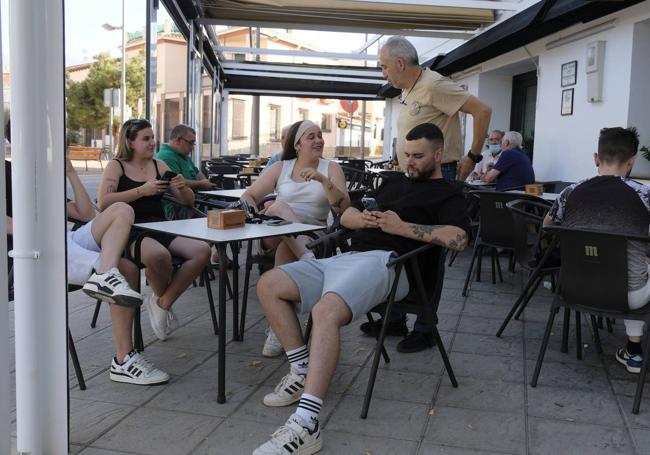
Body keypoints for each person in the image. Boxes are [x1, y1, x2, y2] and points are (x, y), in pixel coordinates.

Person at [252, 123, 469, 455]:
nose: (409, 162)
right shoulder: (394, 182)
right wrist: (359, 220)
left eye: (418, 156)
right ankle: (301, 368)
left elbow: (459, 238)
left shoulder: (449, 193)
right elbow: (347, 212)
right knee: (269, 284)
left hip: (390, 265)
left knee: (326, 310)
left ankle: (307, 424)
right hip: (350, 257)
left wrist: (402, 227)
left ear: (438, 155)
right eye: (406, 154)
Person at [6, 158, 169, 385]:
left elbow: (84, 214)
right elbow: (11, 226)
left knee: (121, 210)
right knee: (125, 270)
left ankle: (105, 274)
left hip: (62, 240)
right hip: (26, 254)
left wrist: (71, 173)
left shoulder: (17, 171)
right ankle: (124, 361)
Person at [241, 119, 350, 358]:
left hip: (315, 234)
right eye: (311, 136)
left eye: (320, 135)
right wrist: (252, 213)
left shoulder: (330, 168)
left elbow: (344, 208)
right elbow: (249, 195)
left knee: (285, 251)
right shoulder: (282, 167)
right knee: (279, 207)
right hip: (275, 231)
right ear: (297, 144)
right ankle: (309, 261)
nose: (319, 140)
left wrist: (323, 181)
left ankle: (277, 326)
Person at [545, 126, 650, 374]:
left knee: (629, 265)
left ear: (596, 158)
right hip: (629, 296)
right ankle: (634, 351)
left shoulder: (569, 193)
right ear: (632, 161)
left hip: (573, 287)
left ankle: (634, 350)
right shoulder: (645, 195)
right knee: (636, 266)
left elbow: (547, 227)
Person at [98, 118, 211, 341]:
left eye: (152, 138)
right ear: (130, 142)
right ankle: (163, 300)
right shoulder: (117, 165)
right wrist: (142, 191)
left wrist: (182, 186)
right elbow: (104, 202)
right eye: (146, 139)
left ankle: (162, 302)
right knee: (159, 256)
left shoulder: (159, 165)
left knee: (202, 251)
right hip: (127, 230)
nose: (152, 143)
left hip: (159, 226)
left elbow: (187, 202)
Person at [379, 36, 492, 182]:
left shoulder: (433, 85)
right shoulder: (408, 89)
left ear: (400, 64)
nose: (383, 75)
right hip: (416, 174)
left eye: (384, 67)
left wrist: (472, 157)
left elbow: (482, 110)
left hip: (436, 175)